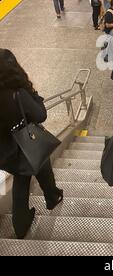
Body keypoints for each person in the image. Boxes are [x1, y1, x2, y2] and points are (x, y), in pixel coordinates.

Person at [0, 49, 63, 239]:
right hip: (22, 146)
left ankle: (21, 224)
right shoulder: (17, 94)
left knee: (24, 174)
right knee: (36, 162)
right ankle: (52, 197)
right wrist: (32, 93)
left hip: (3, 151)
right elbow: (40, 115)